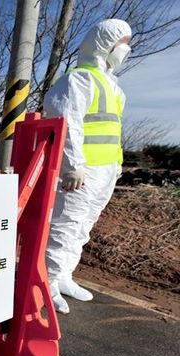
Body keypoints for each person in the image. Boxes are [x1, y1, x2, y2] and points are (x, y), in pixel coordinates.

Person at [43, 19, 132, 314]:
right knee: (65, 225)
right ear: (104, 44)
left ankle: (63, 276)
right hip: (82, 170)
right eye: (123, 43)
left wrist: (116, 166)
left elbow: (111, 131)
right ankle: (47, 282)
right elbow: (67, 122)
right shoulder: (80, 79)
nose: (126, 49)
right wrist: (72, 164)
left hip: (105, 170)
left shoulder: (114, 87)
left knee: (83, 227)